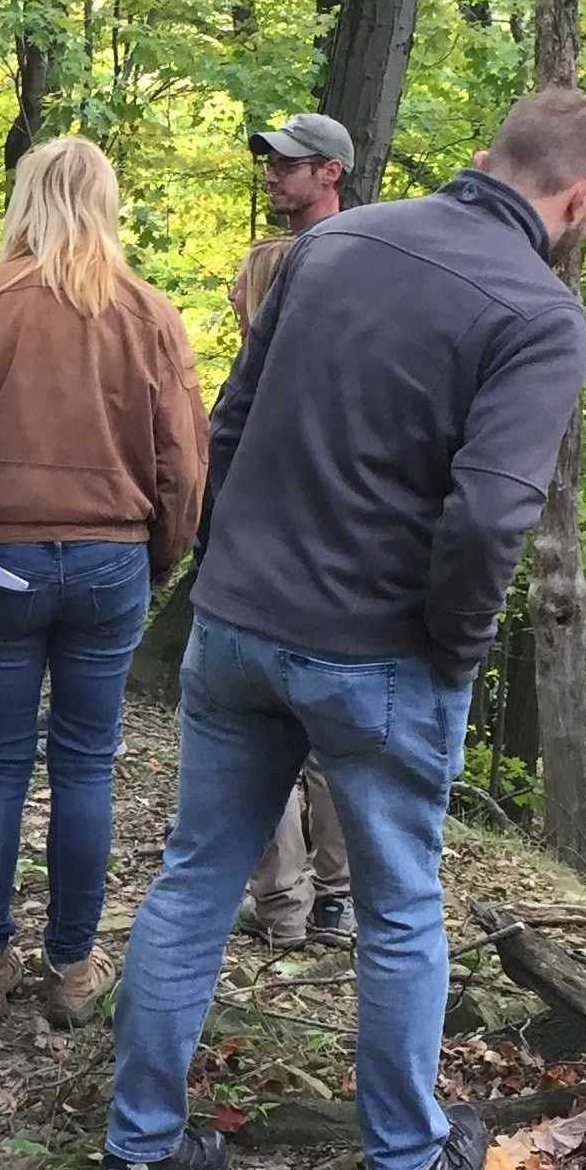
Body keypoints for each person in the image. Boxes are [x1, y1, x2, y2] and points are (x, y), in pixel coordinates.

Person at [101, 90, 586, 1170]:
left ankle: (139, 1146)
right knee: (397, 909)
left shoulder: (330, 245)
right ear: (580, 200)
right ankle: (403, 1158)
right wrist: (453, 644)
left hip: (241, 623)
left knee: (195, 878)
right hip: (381, 652)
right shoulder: (538, 313)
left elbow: (228, 426)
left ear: (484, 158)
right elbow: (489, 518)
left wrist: (223, 576)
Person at [0, 137, 206, 1033]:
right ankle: (71, 967)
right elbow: (184, 464)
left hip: (3, 553)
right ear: (107, 204)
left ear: (24, 200)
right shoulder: (149, 313)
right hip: (112, 557)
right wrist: (159, 555)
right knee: (85, 764)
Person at [238, 119, 359, 952]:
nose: (273, 176)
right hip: (280, 506)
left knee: (302, 720)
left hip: (321, 515)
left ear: (331, 171)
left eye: (287, 165)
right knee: (284, 716)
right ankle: (299, 900)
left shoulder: (359, 255)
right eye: (270, 164)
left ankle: (317, 898)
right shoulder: (267, 258)